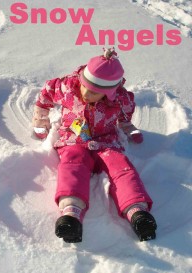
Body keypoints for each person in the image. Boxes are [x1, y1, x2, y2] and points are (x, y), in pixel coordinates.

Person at [32, 48, 157, 243]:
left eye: (94, 92)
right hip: (74, 139)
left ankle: (137, 212)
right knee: (72, 164)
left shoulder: (120, 100)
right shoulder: (68, 87)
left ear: (109, 94)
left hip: (106, 141)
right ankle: (71, 213)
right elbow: (46, 93)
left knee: (122, 168)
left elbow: (125, 115)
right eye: (85, 86)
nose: (86, 93)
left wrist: (128, 127)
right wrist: (41, 119)